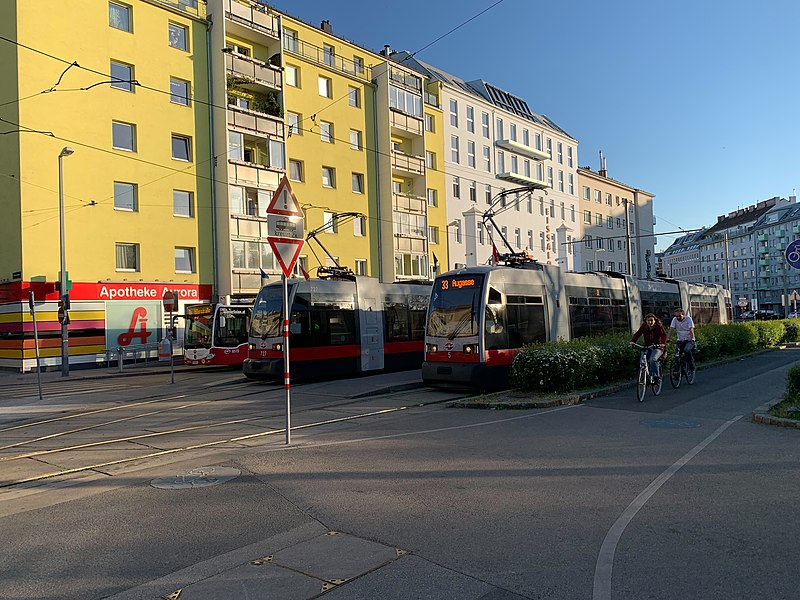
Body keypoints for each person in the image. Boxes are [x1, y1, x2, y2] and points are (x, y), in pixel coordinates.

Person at [630, 313, 667, 382]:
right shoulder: (644, 326)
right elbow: (637, 334)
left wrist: (662, 344)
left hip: (657, 347)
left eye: (651, 320)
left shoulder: (659, 327)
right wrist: (633, 341)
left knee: (653, 359)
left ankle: (656, 377)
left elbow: (663, 336)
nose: (650, 322)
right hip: (647, 346)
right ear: (646, 321)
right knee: (642, 361)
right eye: (648, 321)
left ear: (655, 320)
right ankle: (644, 376)